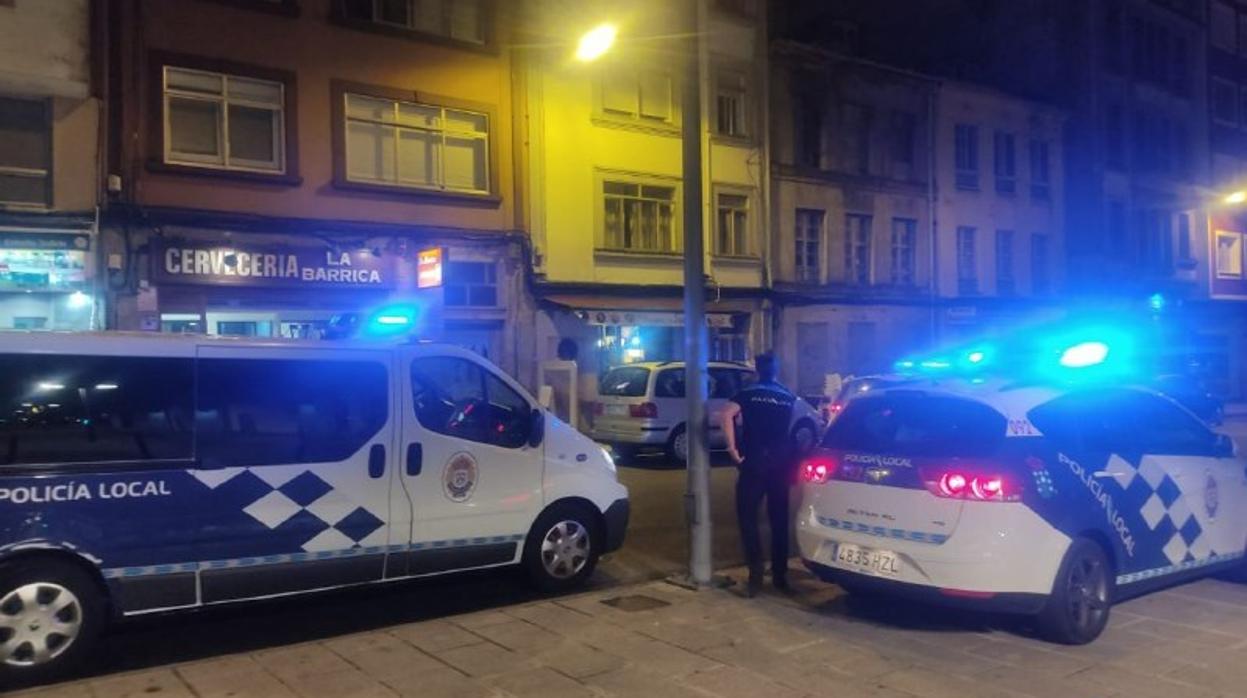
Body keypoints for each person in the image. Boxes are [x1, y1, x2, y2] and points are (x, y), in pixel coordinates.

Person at [721, 352, 798, 597]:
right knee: (779, 520)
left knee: (748, 518)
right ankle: (780, 577)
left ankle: (755, 576)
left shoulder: (748, 393)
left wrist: (732, 448)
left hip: (754, 461)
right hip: (780, 462)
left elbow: (725, 415)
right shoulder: (788, 396)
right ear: (776, 370)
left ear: (757, 369)